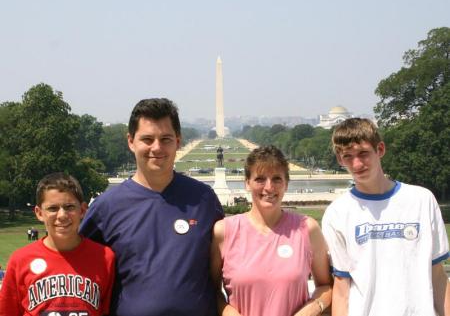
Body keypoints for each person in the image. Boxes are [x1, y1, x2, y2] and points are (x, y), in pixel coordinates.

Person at [80, 98, 224, 316]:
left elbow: (226, 268)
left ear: (178, 141)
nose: (156, 148)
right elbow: (79, 269)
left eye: (165, 139)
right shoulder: (106, 207)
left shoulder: (204, 199)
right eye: (147, 139)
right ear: (130, 141)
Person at [321, 118, 450, 316]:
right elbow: (341, 287)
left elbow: (438, 277)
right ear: (340, 160)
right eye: (348, 156)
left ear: (380, 149)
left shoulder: (421, 200)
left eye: (363, 153)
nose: (357, 164)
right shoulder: (337, 213)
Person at [210, 145, 332, 316]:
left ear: (286, 184)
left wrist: (311, 310)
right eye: (260, 179)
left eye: (276, 179)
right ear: (247, 183)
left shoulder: (307, 228)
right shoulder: (224, 231)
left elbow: (327, 286)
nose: (269, 187)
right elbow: (211, 292)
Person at [0, 172, 115, 316]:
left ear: (83, 210)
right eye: (53, 208)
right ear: (39, 213)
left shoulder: (104, 257)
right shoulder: (20, 260)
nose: (62, 215)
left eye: (69, 207)